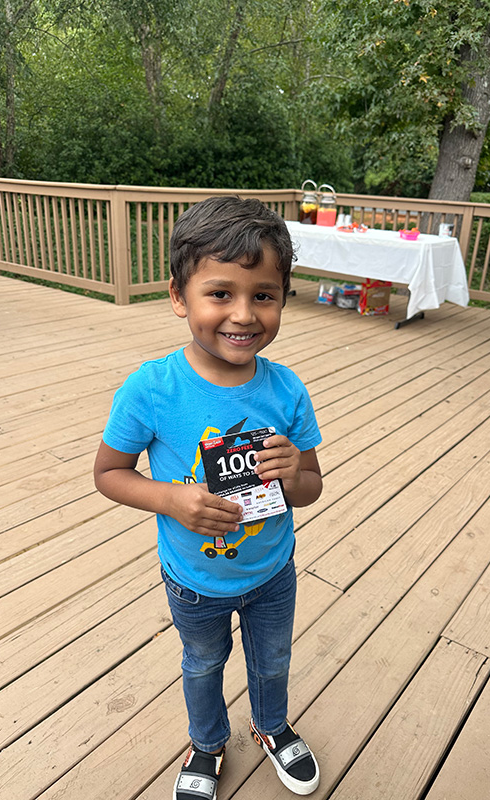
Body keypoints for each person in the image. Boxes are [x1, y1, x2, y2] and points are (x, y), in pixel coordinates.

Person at [94, 196, 323, 799]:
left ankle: (271, 725)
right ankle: (207, 741)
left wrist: (293, 472)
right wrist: (171, 500)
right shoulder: (151, 388)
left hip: (272, 570)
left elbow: (311, 486)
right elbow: (110, 473)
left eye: (264, 295)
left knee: (273, 661)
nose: (243, 314)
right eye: (220, 293)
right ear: (179, 296)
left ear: (282, 298)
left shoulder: (287, 390)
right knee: (201, 663)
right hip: (194, 578)